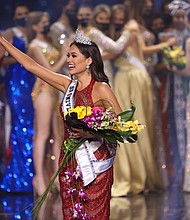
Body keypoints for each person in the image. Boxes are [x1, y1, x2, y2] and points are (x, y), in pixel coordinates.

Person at [0, 28, 123, 219]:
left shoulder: (101, 88)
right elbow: (32, 66)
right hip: (70, 160)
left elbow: (123, 123)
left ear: (89, 60)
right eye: (68, 56)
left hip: (95, 163)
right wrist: (3, 42)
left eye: (74, 56)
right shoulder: (67, 85)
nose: (69, 60)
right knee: (72, 212)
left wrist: (92, 133)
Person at [25, 11, 68, 197]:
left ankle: (58, 178)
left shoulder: (48, 43)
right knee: (42, 134)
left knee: (57, 135)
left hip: (55, 92)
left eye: (46, 22)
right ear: (34, 26)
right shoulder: (34, 46)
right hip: (43, 90)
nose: (45, 25)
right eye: (42, 22)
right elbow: (49, 71)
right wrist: (65, 55)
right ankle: (39, 178)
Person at [0, 2, 36, 193]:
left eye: (25, 13)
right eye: (19, 13)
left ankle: (32, 175)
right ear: (14, 17)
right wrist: (23, 58)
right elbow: (1, 59)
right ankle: (18, 177)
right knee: (19, 125)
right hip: (15, 84)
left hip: (31, 84)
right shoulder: (10, 33)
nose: (23, 16)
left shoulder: (32, 33)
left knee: (31, 127)